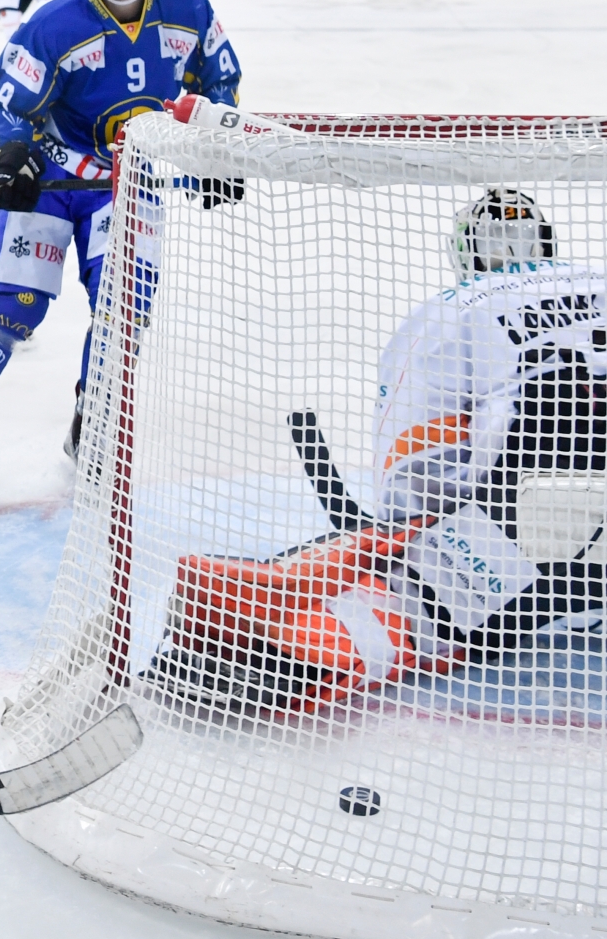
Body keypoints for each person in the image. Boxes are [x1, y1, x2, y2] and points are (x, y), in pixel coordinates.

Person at [151, 189, 605, 713]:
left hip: (524, 559)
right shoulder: (598, 277)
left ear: (466, 250)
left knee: (400, 601)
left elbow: (412, 458)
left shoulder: (454, 310)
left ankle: (255, 648)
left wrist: (398, 537)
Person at [0, 0, 242, 483]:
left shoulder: (189, 9)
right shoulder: (56, 23)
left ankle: (90, 421)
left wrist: (210, 158)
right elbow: (7, 101)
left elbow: (218, 83)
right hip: (50, 179)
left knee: (125, 310)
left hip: (126, 181)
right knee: (12, 310)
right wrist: (12, 154)